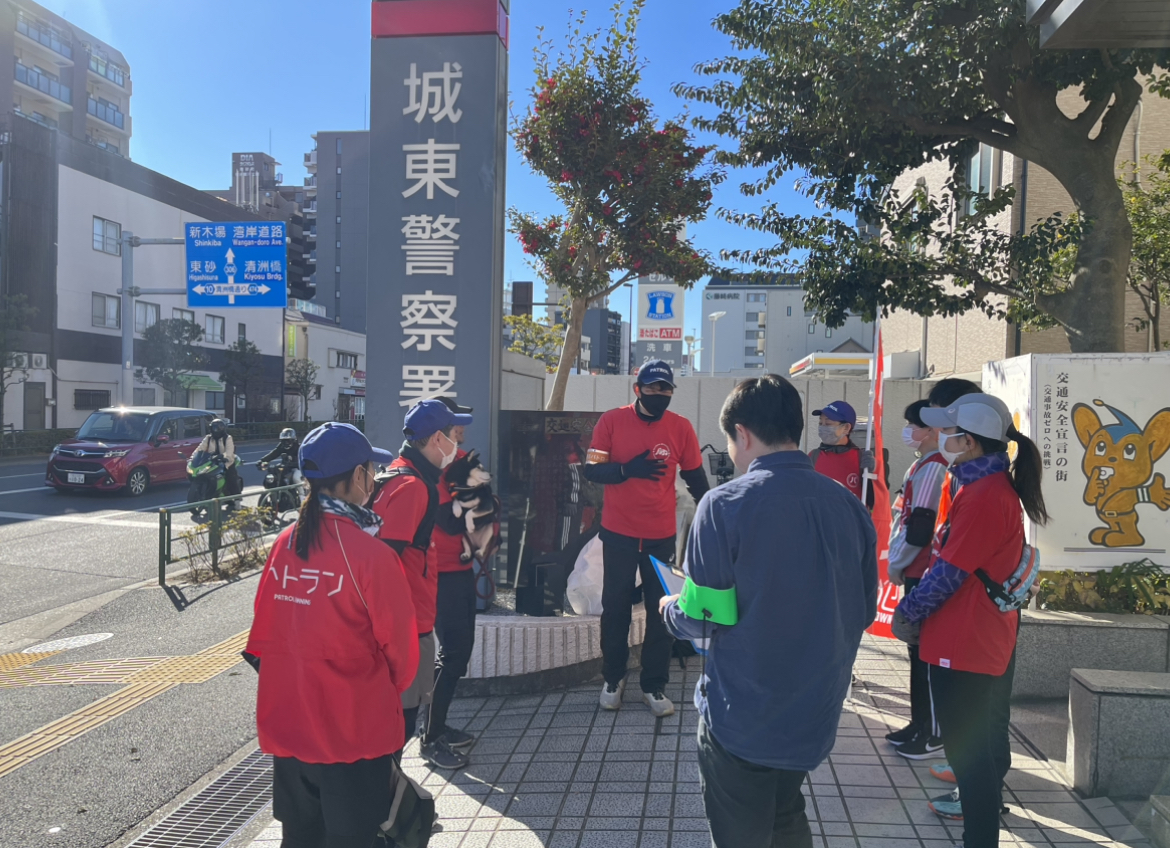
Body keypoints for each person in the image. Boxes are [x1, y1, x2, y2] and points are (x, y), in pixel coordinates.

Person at [661, 375, 877, 848]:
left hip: (742, 714)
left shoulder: (722, 506)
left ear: (742, 433)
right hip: (814, 712)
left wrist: (669, 608)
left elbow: (704, 615)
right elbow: (863, 610)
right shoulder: (849, 506)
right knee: (785, 811)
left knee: (742, 830)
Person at [245, 422, 419, 848]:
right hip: (352, 730)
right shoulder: (372, 555)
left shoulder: (285, 542)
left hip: (290, 725)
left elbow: (262, 635)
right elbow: (402, 656)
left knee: (299, 838)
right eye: (371, 470)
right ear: (359, 475)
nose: (374, 479)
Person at [894, 393, 1049, 848]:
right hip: (970, 637)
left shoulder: (983, 495)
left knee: (970, 757)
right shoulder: (984, 487)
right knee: (973, 752)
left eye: (948, 431)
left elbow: (948, 574)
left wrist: (908, 611)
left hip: (965, 641)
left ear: (971, 442)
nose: (941, 437)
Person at [582, 359, 710, 717]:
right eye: (652, 387)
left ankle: (654, 685)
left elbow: (695, 476)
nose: (659, 394)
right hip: (618, 534)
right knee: (615, 609)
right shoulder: (612, 421)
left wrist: (714, 510)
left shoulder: (680, 427)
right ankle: (613, 679)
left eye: (665, 388)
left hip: (660, 537)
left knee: (662, 611)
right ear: (637, 389)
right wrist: (626, 470)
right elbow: (592, 470)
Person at [370, 398, 471, 770]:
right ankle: (387, 796)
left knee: (398, 718)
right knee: (401, 721)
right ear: (436, 439)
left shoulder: (397, 474)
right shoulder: (413, 486)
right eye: (451, 434)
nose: (456, 442)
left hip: (407, 617)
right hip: (407, 622)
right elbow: (385, 559)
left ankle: (388, 792)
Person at [421, 397, 487, 768]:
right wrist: (474, 505)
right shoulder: (429, 468)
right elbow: (450, 519)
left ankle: (438, 725)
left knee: (460, 652)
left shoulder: (460, 461)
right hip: (438, 572)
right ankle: (430, 736)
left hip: (461, 568)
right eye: (455, 424)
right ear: (438, 434)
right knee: (451, 652)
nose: (461, 430)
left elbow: (483, 510)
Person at [883, 400, 949, 760]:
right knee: (915, 652)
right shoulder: (921, 463)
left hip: (922, 570)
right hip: (913, 569)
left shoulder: (935, 467)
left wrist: (897, 563)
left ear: (933, 430)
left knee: (925, 655)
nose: (909, 430)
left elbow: (921, 526)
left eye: (915, 425)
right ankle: (918, 722)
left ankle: (932, 732)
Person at [809, 401, 879, 503]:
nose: (823, 428)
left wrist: (873, 474)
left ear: (846, 428)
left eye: (828, 424)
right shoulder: (813, 457)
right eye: (820, 423)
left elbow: (875, 501)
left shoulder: (862, 459)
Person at [196, 418, 241, 495]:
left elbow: (230, 451)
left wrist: (223, 456)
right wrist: (193, 457)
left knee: (231, 477)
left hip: (226, 461)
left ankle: (236, 497)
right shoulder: (208, 438)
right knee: (202, 473)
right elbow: (200, 448)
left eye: (218, 428)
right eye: (214, 428)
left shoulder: (228, 438)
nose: (216, 430)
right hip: (212, 460)